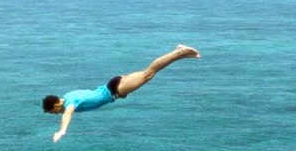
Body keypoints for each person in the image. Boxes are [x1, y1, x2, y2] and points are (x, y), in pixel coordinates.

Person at [42, 44, 201, 142]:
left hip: (115, 88)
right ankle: (182, 54)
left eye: (53, 112)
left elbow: (67, 114)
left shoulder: (70, 102)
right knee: (149, 73)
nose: (55, 114)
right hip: (114, 84)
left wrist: (62, 131)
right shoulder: (69, 95)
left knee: (149, 73)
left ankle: (179, 52)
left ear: (56, 104)